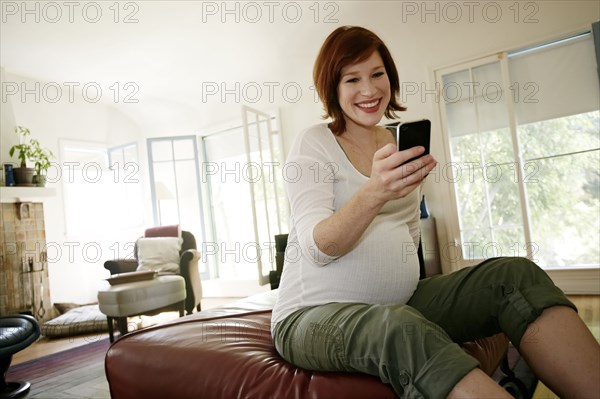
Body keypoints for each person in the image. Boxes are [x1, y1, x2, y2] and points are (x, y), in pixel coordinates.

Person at [271, 25, 600, 399]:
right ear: (332, 88)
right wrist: (375, 192)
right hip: (310, 317)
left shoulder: (396, 144)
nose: (369, 89)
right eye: (352, 79)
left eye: (378, 74)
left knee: (513, 275)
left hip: (399, 301)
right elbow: (318, 247)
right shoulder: (314, 143)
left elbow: (409, 235)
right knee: (399, 326)